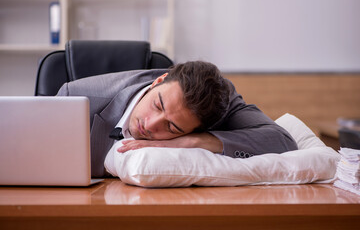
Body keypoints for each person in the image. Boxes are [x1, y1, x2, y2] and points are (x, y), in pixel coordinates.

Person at [57, 61, 298, 177]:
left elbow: (281, 141)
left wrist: (195, 142)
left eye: (171, 127)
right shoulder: (75, 96)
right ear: (158, 82)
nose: (150, 125)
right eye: (157, 105)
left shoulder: (218, 104)